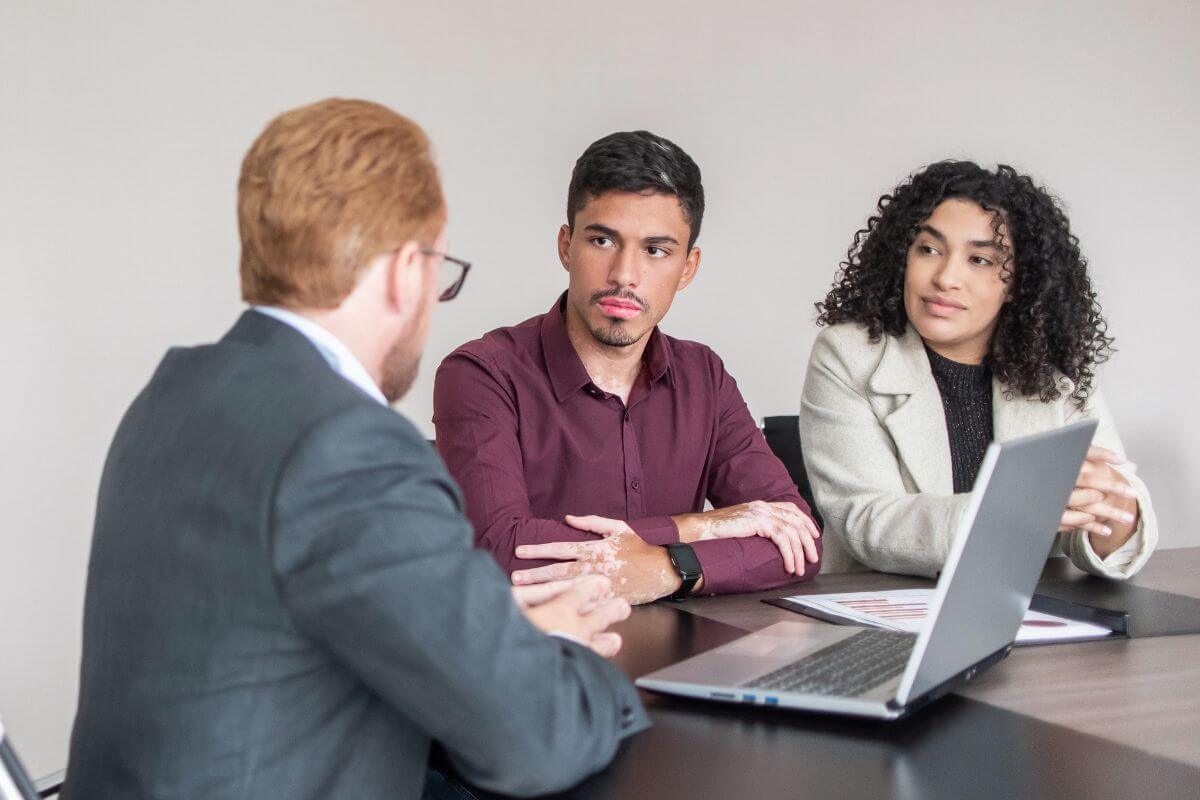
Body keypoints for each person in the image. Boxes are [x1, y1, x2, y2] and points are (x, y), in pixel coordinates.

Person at [62, 98, 647, 800]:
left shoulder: (171, 397)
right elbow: (536, 741)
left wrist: (497, 639)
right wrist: (559, 656)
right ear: (407, 270)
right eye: (440, 271)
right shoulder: (349, 445)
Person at [433, 130, 822, 604]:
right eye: (601, 240)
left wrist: (666, 567)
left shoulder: (704, 376)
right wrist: (696, 526)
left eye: (655, 250)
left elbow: (798, 540)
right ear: (566, 246)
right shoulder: (481, 374)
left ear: (688, 268)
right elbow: (502, 552)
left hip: (687, 660)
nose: (623, 274)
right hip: (543, 661)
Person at [800, 160, 1158, 578]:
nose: (946, 277)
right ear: (903, 256)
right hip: (882, 612)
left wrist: (1113, 511)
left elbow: (1097, 527)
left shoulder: (1053, 364)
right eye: (929, 250)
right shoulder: (848, 354)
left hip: (1022, 609)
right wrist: (1020, 505)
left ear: (1018, 283)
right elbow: (866, 522)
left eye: (981, 260)